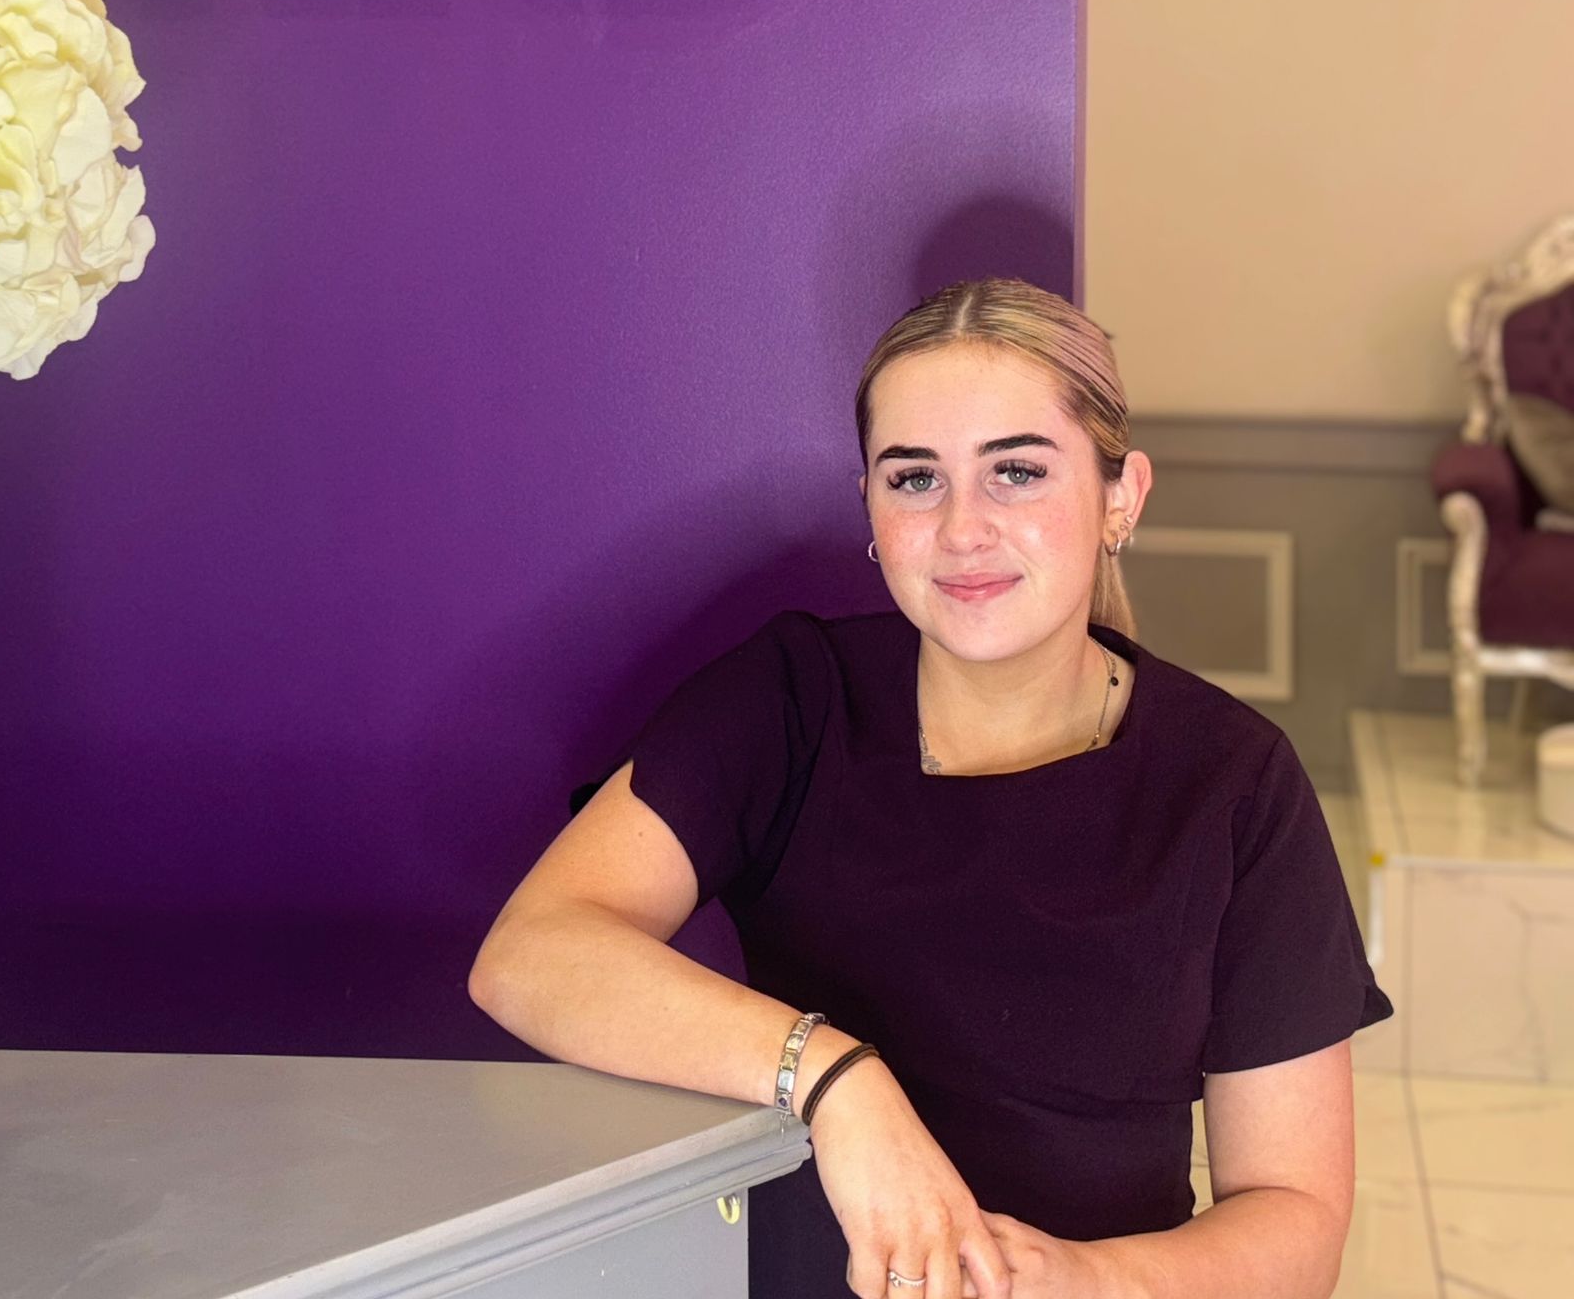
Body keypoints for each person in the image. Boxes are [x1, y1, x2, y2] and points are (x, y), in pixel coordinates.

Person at [468, 277, 1393, 1299]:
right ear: (869, 505)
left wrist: (1083, 1282)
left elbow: (1299, 1224)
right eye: (914, 479)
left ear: (1121, 496)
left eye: (1018, 473)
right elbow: (530, 957)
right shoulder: (793, 702)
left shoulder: (1233, 784)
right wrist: (833, 1080)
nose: (962, 528)